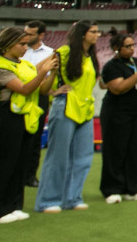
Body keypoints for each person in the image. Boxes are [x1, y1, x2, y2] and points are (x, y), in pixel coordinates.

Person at [0, 27, 57, 224]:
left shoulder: (25, 65)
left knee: (19, 165)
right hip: (6, 118)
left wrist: (52, 74)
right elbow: (24, 89)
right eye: (21, 44)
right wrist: (43, 71)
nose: (25, 48)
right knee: (3, 165)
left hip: (25, 118)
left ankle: (13, 206)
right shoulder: (0, 67)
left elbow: (42, 90)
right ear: (7, 45)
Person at [37, 21, 101, 213]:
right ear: (82, 34)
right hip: (65, 105)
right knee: (58, 156)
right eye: (93, 31)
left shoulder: (90, 56)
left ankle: (72, 198)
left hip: (86, 108)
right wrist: (53, 91)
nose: (97, 35)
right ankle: (48, 200)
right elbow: (38, 70)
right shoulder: (63, 52)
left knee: (83, 157)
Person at [99, 33, 137, 204]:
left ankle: (134, 188)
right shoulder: (111, 66)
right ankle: (112, 189)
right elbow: (118, 88)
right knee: (116, 149)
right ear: (117, 48)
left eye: (133, 45)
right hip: (117, 112)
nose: (132, 49)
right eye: (127, 46)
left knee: (136, 149)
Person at [21, 20, 54, 186]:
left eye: (30, 34)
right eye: (25, 33)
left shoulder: (50, 53)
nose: (26, 36)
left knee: (34, 138)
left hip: (40, 95)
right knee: (17, 135)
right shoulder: (19, 50)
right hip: (19, 94)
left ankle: (30, 175)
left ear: (41, 35)